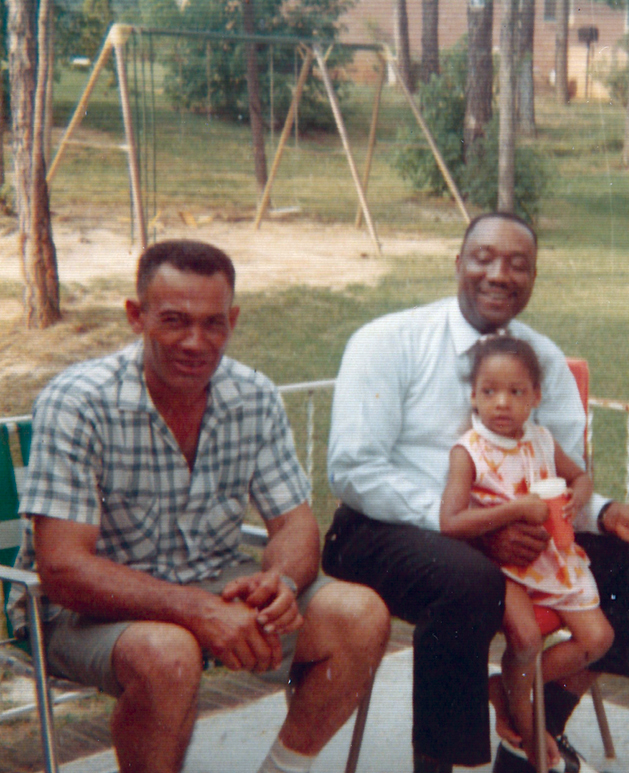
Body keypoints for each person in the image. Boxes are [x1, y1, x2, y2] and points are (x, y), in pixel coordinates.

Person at [6, 240, 391, 773]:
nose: (196, 342)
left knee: (361, 613)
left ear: (233, 320)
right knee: (169, 654)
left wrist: (281, 580)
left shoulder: (253, 395)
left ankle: (283, 769)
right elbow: (64, 569)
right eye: (173, 321)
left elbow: (295, 522)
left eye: (214, 323)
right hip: (85, 612)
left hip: (214, 583)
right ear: (135, 318)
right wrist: (200, 612)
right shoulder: (79, 402)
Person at [322, 211, 629, 773]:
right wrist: (472, 526)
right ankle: (441, 763)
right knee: (467, 579)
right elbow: (353, 470)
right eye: (484, 257)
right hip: (382, 528)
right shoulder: (390, 339)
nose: (499, 275)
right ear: (457, 264)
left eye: (518, 265)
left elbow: (548, 472)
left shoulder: (542, 362)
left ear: (533, 278)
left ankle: (531, 729)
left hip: (506, 531)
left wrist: (605, 512)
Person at [441, 336, 613, 768]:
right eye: (489, 392)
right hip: (501, 567)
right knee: (528, 638)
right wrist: (514, 509)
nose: (501, 403)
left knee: (599, 639)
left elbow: (581, 476)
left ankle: (512, 686)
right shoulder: (470, 452)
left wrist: (578, 494)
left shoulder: (540, 438)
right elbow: (451, 522)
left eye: (515, 392)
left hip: (551, 561)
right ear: (474, 397)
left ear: (536, 396)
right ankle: (529, 730)